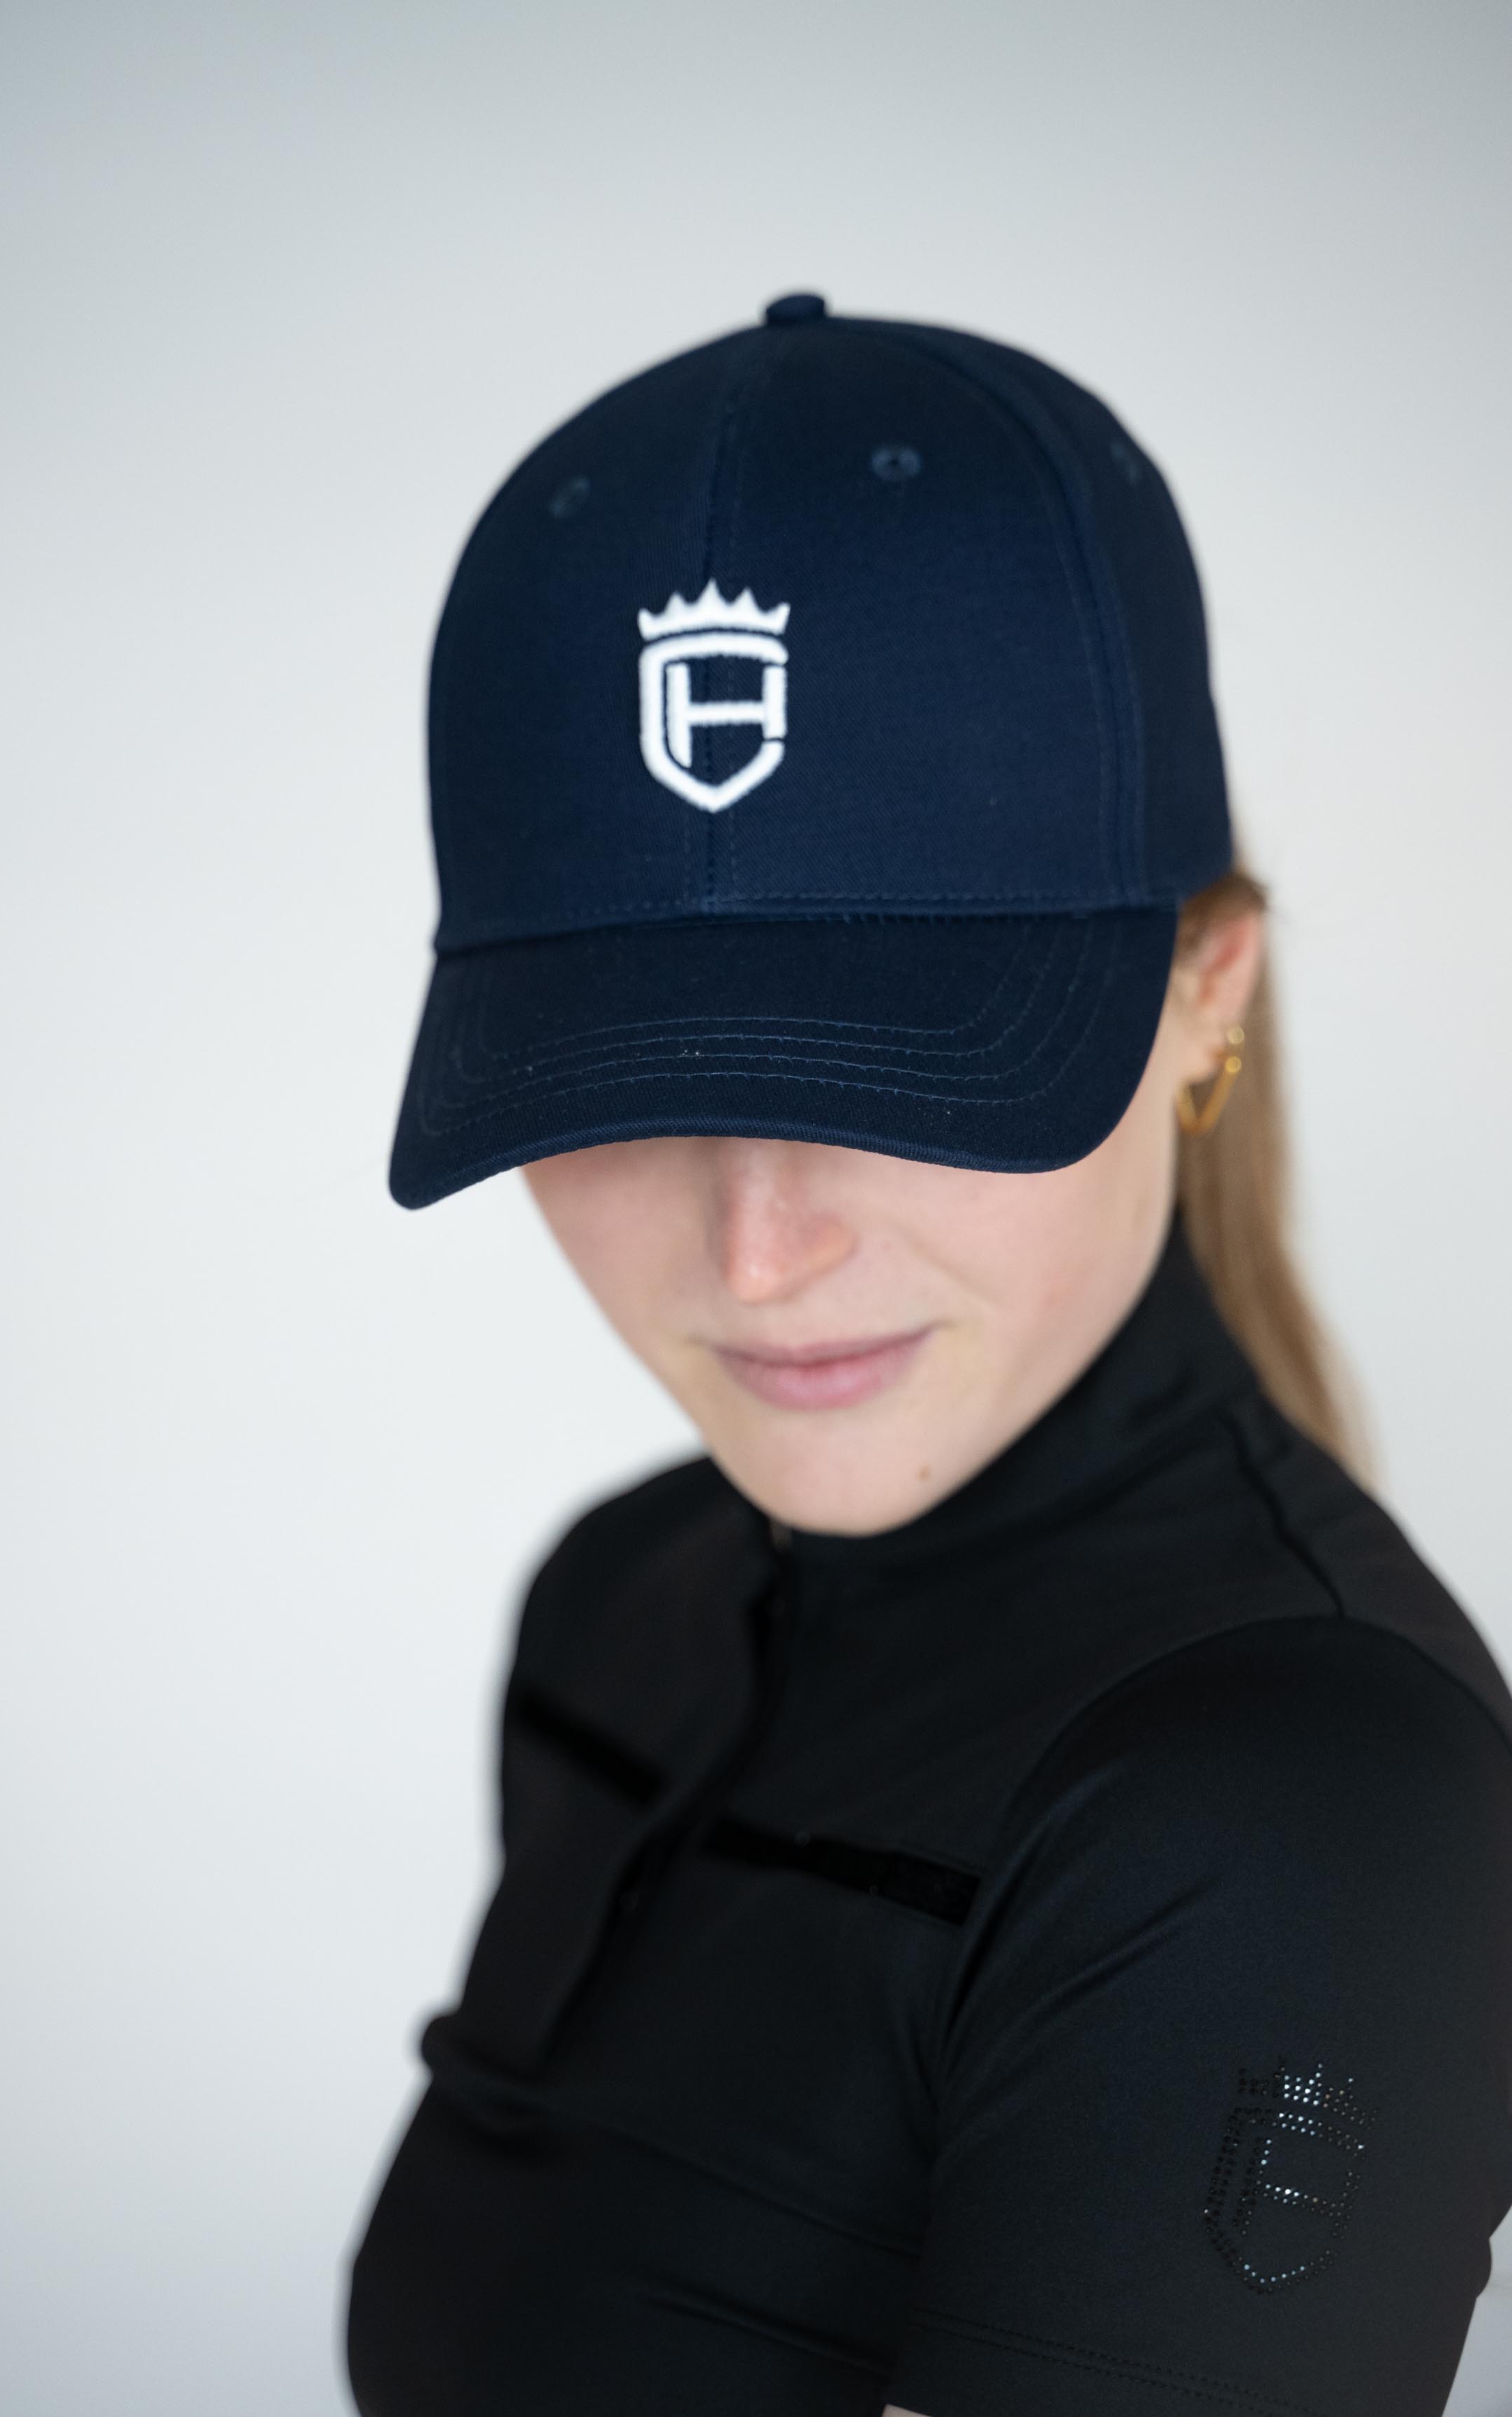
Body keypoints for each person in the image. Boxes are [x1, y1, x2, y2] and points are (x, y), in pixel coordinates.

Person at [346, 297, 1512, 2417]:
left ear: (1208, 996)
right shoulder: (624, 1596)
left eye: (904, 1080)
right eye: (625, 1088)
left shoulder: (1299, 1818)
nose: (758, 1252)